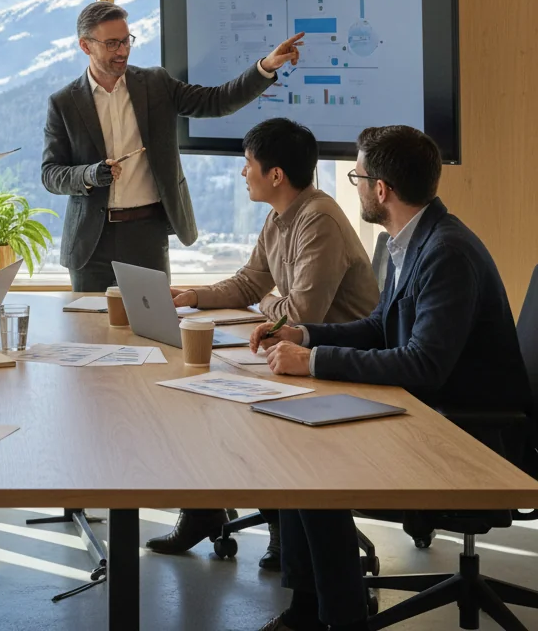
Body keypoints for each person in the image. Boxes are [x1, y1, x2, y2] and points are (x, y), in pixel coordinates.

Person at [250, 125, 532, 631]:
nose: (356, 185)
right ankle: (310, 610)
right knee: (295, 446)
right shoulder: (415, 238)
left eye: (358, 176)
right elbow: (383, 326)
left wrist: (312, 363)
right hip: (435, 411)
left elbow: (423, 364)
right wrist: (305, 334)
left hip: (471, 436)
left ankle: (337, 617)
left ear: (381, 190)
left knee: (313, 473)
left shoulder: (446, 252)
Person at [148, 118, 380, 564]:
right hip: (294, 357)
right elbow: (249, 284)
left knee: (224, 401)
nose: (242, 173)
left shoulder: (319, 220)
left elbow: (300, 314)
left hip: (335, 364)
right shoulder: (280, 217)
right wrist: (193, 295)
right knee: (197, 396)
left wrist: (268, 304)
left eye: (248, 164)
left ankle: (281, 527)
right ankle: (210, 512)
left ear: (276, 175)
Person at [41, 0, 304, 294]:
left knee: (151, 331)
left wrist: (265, 67)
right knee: (89, 332)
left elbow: (216, 101)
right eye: (112, 44)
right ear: (85, 46)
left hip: (147, 235)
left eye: (126, 41)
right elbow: (51, 174)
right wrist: (90, 175)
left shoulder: (156, 83)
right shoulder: (64, 103)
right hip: (91, 243)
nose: (123, 51)